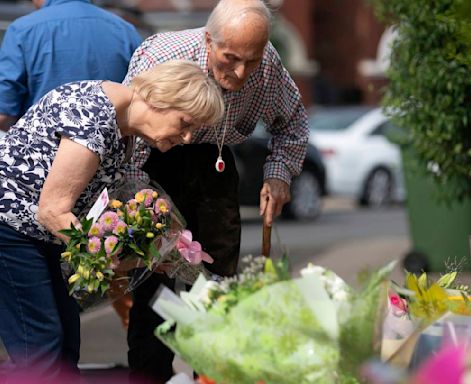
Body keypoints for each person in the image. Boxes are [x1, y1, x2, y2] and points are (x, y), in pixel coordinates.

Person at [0, 60, 224, 382]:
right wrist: (111, 257)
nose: (187, 137)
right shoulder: (94, 115)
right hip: (11, 229)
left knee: (64, 340)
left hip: (36, 235)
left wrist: (154, 249)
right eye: (185, 123)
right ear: (160, 99)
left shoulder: (124, 129)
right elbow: (53, 210)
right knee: (41, 346)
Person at [123, 0, 309, 382]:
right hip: (153, 163)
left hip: (215, 165)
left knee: (215, 289)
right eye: (230, 59)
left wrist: (278, 175)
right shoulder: (164, 55)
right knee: (154, 292)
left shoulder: (268, 64)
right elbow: (128, 137)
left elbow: (292, 123)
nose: (241, 73)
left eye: (251, 60)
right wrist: (139, 204)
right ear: (209, 40)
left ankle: (210, 376)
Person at [0, 0, 142, 132]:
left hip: (41, 149)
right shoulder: (125, 30)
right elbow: (139, 101)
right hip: (108, 149)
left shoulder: (23, 29)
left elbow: (4, 112)